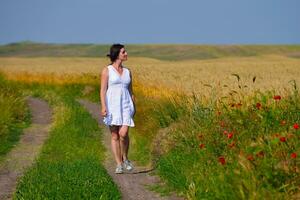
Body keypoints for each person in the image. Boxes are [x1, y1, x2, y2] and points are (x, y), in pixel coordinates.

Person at [100, 44, 135, 174]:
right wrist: (104, 106)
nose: (126, 54)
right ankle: (119, 163)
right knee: (114, 134)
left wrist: (134, 106)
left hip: (126, 105)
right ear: (117, 54)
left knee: (123, 133)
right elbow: (103, 90)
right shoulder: (107, 70)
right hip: (112, 105)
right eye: (123, 52)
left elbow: (131, 91)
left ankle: (125, 158)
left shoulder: (128, 72)